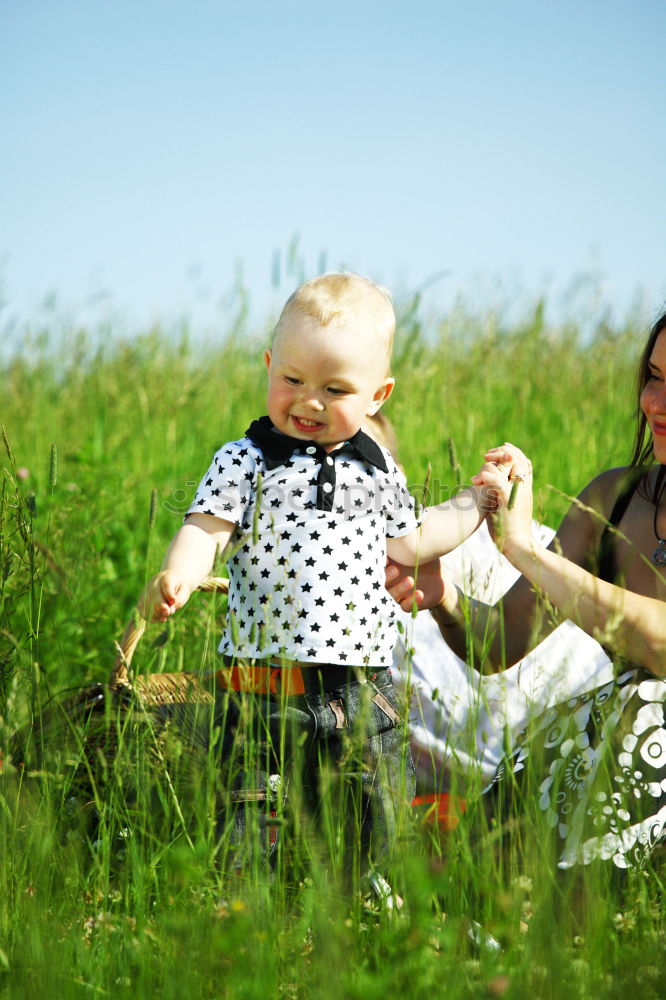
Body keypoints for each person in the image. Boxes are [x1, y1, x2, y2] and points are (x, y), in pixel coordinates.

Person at [140, 272, 495, 869]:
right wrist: (177, 573)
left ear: (377, 397)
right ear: (268, 364)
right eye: (292, 379)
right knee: (251, 807)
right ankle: (249, 914)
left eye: (334, 389)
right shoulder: (245, 459)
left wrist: (476, 501)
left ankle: (366, 902)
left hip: (360, 684)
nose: (308, 401)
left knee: (373, 811)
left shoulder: (376, 467)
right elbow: (207, 528)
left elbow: (414, 541)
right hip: (260, 682)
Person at [387, 311, 666, 870]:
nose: (655, 403)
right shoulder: (616, 498)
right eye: (654, 378)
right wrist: (442, 600)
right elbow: (498, 646)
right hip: (605, 748)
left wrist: (528, 553)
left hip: (641, 755)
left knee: (644, 708)